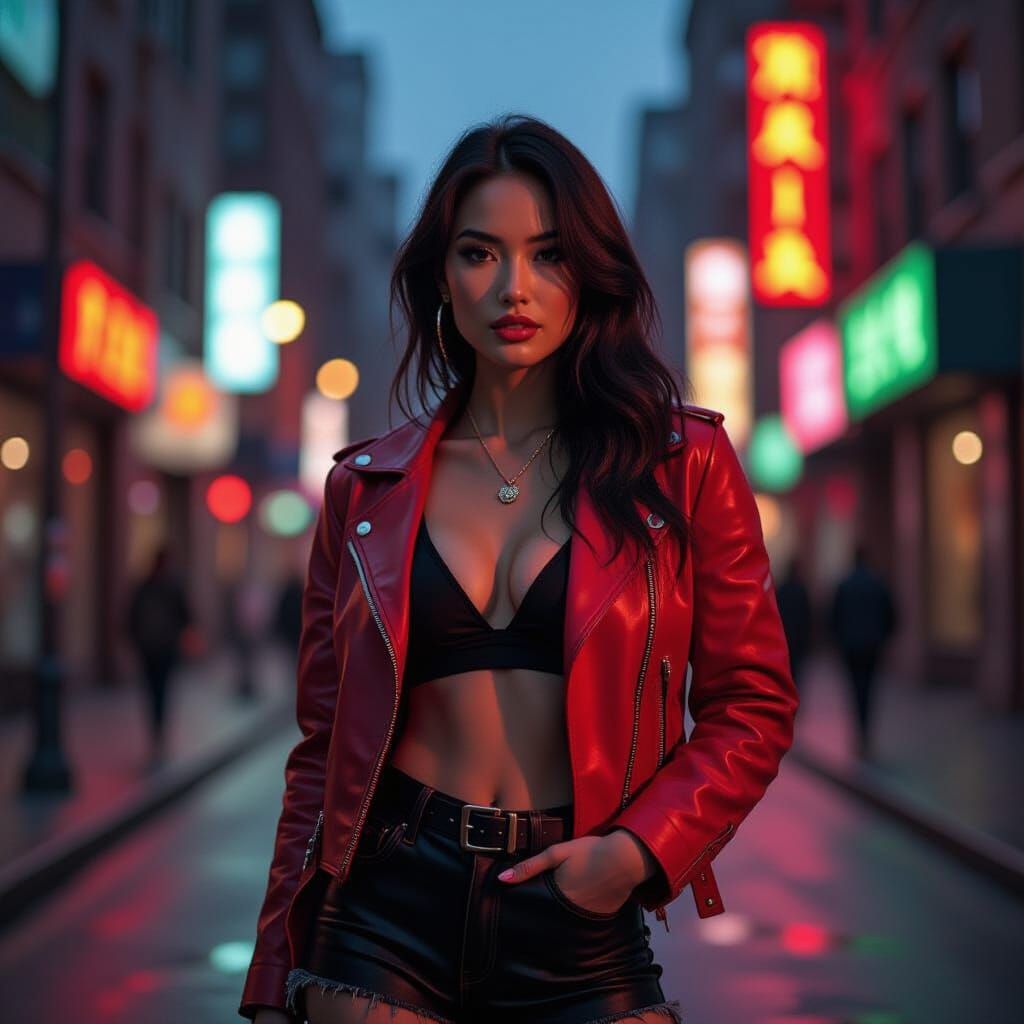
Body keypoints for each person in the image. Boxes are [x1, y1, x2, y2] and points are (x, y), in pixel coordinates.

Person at [241, 114, 799, 1024]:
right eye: (478, 253)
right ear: (440, 280)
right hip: (384, 906)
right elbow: (322, 750)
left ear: (590, 274)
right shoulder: (364, 489)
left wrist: (636, 853)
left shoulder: (682, 465)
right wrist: (273, 969)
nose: (514, 287)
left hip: (580, 904)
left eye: (548, 254)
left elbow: (754, 703)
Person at [829, 545, 898, 760]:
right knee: (869, 689)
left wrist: (839, 640)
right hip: (872, 646)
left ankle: (860, 733)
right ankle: (865, 733)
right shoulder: (878, 584)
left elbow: (833, 617)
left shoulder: (844, 585)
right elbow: (892, 614)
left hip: (851, 647)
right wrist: (883, 637)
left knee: (856, 689)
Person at [125, 545, 191, 762]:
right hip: (159, 650)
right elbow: (186, 616)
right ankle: (158, 734)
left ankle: (157, 734)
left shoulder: (149, 587)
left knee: (155, 692)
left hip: (155, 650)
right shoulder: (169, 587)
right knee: (159, 692)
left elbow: (131, 617)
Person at [775, 559, 813, 690]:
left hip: (785, 635)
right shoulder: (801, 590)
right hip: (799, 636)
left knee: (788, 666)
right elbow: (807, 615)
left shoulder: (782, 590)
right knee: (796, 667)